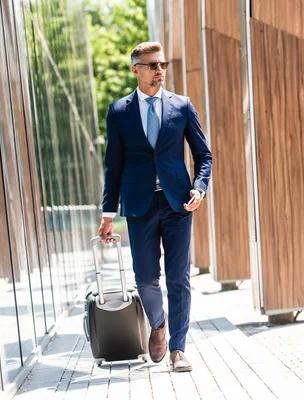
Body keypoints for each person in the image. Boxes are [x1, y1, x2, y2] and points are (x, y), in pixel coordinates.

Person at [98, 42, 212, 372]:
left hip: (178, 203)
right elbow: (113, 166)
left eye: (162, 64)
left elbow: (204, 155)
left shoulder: (183, 106)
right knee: (146, 279)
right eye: (151, 65)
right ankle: (158, 323)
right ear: (136, 69)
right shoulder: (119, 112)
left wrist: (199, 188)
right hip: (139, 206)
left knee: (178, 278)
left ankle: (178, 349)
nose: (159, 70)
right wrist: (108, 213)